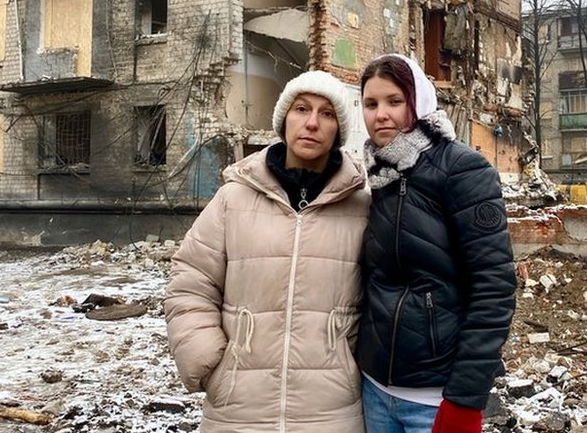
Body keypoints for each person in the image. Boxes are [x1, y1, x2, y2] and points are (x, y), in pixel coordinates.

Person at [164, 71, 371, 432]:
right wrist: (211, 364)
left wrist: (350, 364)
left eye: (326, 114)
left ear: (339, 129)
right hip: (237, 407)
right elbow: (190, 282)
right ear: (283, 120)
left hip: (331, 410)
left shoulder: (362, 207)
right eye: (301, 109)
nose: (311, 123)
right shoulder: (234, 197)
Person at [356, 54, 516, 433]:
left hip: (433, 398)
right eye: (370, 103)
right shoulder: (376, 176)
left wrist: (465, 398)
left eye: (395, 101)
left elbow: (494, 288)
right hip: (375, 389)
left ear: (419, 102)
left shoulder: (461, 170)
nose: (381, 114)